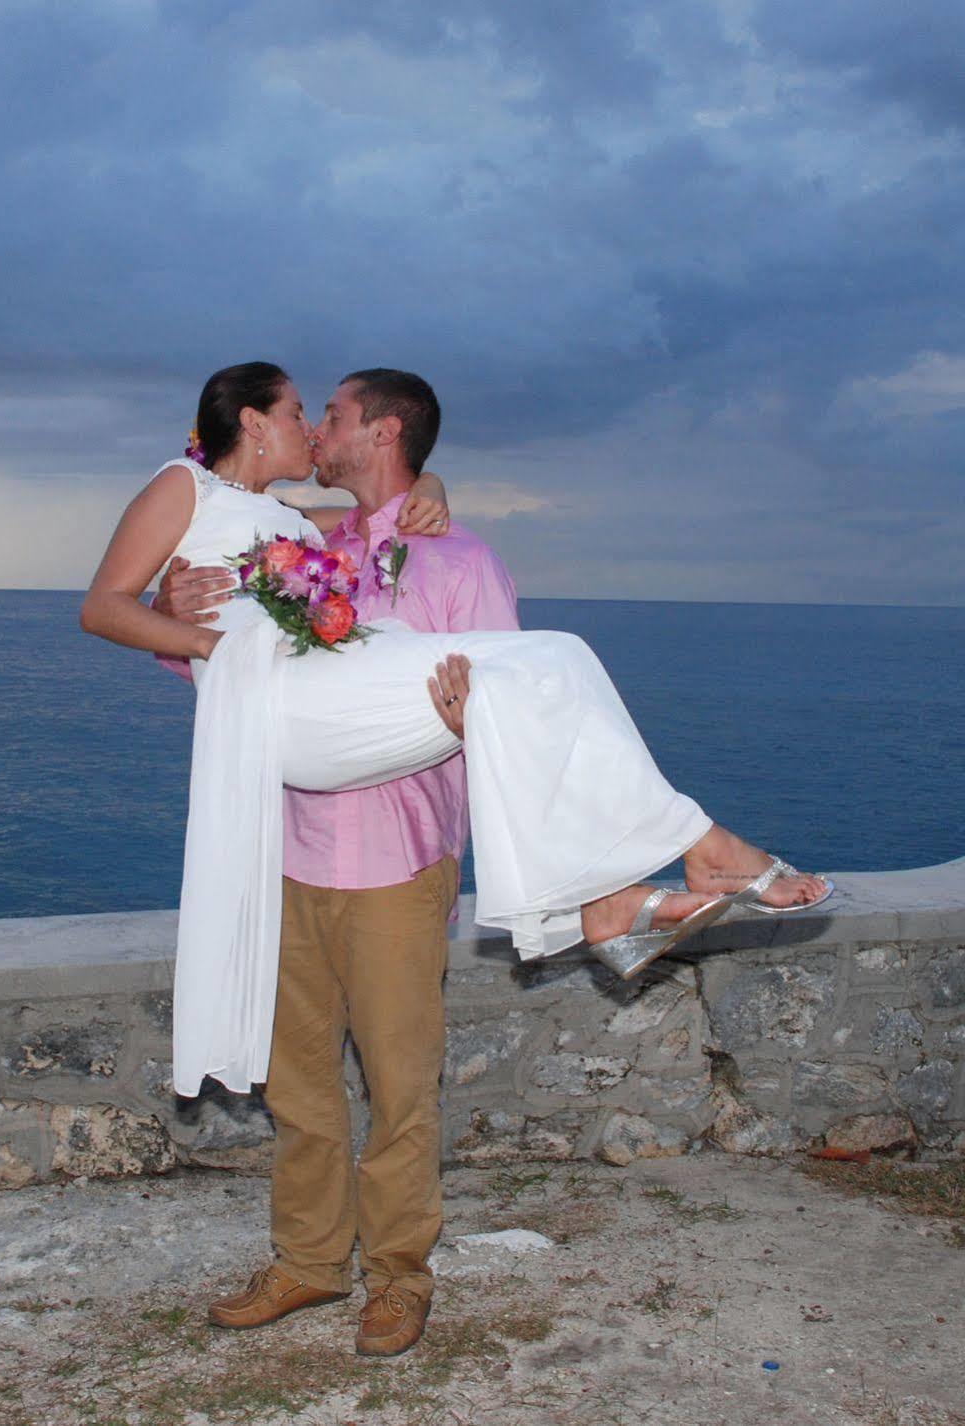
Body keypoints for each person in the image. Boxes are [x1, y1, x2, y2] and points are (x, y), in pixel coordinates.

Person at [79, 362, 829, 1355]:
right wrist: (185, 611)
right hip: (285, 847)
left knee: (399, 1086)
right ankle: (307, 1263)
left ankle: (397, 1277)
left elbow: (522, 722)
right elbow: (226, 653)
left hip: (396, 857)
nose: (320, 427)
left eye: (333, 414)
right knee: (296, 1086)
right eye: (308, 412)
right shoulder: (314, 538)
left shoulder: (461, 557)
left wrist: (462, 696)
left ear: (381, 433)